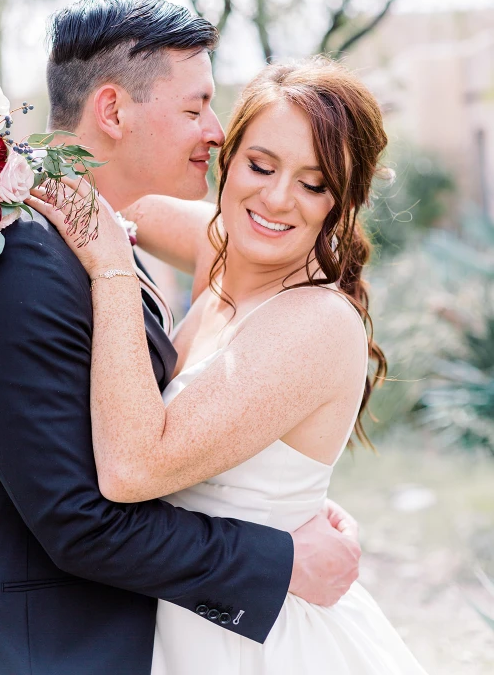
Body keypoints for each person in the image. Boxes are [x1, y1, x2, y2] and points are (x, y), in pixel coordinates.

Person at [0, 0, 360, 675]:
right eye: (194, 107)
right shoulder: (21, 266)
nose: (214, 131)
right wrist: (283, 560)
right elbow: (81, 521)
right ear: (115, 111)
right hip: (30, 655)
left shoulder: (95, 237)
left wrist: (292, 490)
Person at [27, 55, 430, 673]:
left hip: (256, 640)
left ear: (342, 201)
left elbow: (132, 468)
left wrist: (111, 264)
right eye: (261, 165)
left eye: (314, 184)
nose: (275, 197)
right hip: (178, 614)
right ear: (226, 154)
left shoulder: (314, 321)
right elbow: (119, 194)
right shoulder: (226, 247)